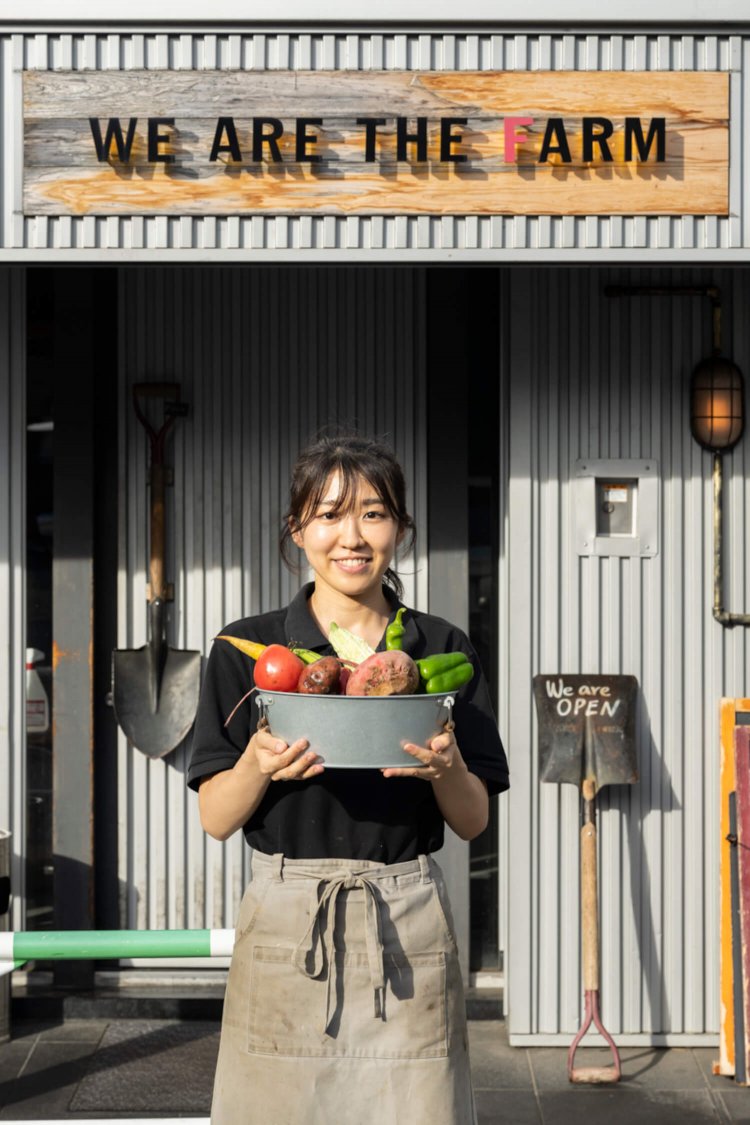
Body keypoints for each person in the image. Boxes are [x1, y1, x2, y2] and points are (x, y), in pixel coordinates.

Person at [187, 434, 509, 1125]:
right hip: (287, 919)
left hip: (407, 915)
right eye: (329, 514)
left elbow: (473, 820)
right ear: (298, 529)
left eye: (373, 512)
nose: (351, 536)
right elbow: (217, 815)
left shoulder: (441, 649)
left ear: (400, 528)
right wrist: (258, 764)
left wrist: (446, 768)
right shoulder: (252, 652)